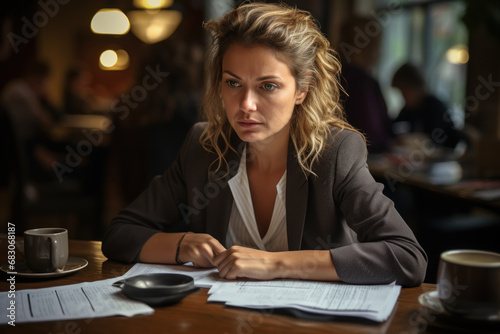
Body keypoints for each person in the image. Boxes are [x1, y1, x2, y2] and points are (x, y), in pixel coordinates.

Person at [102, 2, 427, 287]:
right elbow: (120, 234)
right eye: (233, 83)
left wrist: (274, 264)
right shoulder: (202, 145)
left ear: (302, 89)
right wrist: (180, 244)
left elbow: (407, 257)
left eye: (267, 86)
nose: (246, 104)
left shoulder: (335, 152)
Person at [391, 63, 463, 149]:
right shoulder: (407, 110)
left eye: (405, 91)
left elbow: (436, 141)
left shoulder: (435, 107)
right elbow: (393, 129)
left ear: (416, 87)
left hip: (443, 159)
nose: (403, 96)